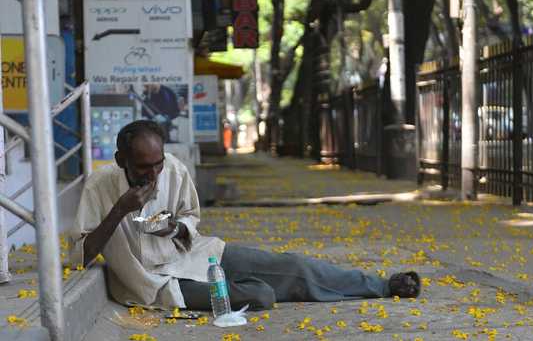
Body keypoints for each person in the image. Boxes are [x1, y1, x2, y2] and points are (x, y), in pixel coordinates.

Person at [70, 120, 420, 311]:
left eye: (157, 163)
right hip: (156, 284)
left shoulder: (173, 170)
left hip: (194, 254)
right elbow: (78, 257)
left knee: (294, 265)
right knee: (262, 296)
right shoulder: (99, 187)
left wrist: (177, 228)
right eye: (143, 167)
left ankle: (382, 285)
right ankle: (264, 288)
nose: (153, 174)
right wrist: (119, 211)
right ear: (121, 161)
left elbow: (190, 216)